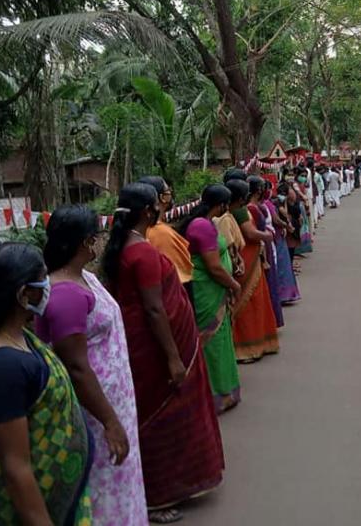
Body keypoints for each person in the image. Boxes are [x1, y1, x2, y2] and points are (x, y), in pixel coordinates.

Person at [103, 184, 224, 523]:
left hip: (147, 343)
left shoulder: (127, 246)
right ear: (146, 211)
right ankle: (157, 494)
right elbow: (154, 309)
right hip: (154, 348)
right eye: (157, 204)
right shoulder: (140, 253)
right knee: (161, 416)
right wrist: (173, 358)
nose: (161, 207)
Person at [0, 243, 94, 525]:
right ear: (23, 294)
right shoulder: (0, 369)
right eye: (43, 279)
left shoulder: (18, 339)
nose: (49, 285)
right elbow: (16, 469)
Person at [38, 205, 148, 525]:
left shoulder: (84, 277)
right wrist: (110, 422)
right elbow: (76, 366)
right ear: (86, 242)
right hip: (94, 412)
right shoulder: (65, 294)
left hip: (112, 403)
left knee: (120, 477)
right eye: (97, 236)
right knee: (103, 482)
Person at [182, 185, 243, 413]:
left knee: (221, 338)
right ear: (221, 204)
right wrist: (234, 284)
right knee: (212, 341)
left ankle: (225, 390)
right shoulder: (202, 226)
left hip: (214, 289)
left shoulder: (207, 223)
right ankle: (214, 394)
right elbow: (214, 267)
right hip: (207, 289)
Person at [226, 179, 280, 362]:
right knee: (250, 302)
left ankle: (256, 344)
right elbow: (249, 233)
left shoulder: (231, 209)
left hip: (249, 256)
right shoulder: (240, 210)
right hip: (246, 258)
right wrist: (267, 236)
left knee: (255, 300)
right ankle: (248, 347)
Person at [139, 176, 195, 305]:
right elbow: (176, 277)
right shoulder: (160, 233)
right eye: (167, 191)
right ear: (162, 198)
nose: (170, 193)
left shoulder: (140, 229)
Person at [249, 176, 283, 328]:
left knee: (270, 283)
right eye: (263, 188)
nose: (266, 191)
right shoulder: (252, 209)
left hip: (267, 245)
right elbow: (252, 233)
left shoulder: (260, 206)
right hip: (260, 248)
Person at [270, 182, 301, 304]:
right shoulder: (275, 203)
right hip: (277, 237)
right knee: (281, 264)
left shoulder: (282, 203)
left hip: (280, 235)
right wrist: (287, 225)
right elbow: (279, 217)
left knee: (285, 262)